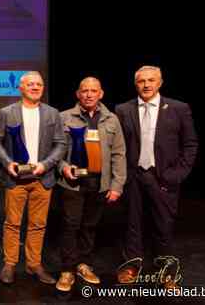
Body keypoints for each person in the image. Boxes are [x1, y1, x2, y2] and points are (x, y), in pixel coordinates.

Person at [115, 66, 197, 288]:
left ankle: (167, 274)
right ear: (136, 84)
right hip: (134, 176)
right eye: (142, 81)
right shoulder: (123, 110)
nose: (147, 85)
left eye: (151, 80)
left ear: (160, 83)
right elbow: (117, 147)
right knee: (132, 224)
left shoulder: (178, 108)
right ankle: (132, 266)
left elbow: (190, 145)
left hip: (163, 178)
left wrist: (177, 174)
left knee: (164, 226)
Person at [0, 71, 65, 285]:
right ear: (21, 87)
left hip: (43, 178)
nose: (35, 87)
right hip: (15, 178)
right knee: (12, 223)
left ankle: (34, 264)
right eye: (30, 84)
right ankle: (10, 264)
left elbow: (61, 143)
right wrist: (8, 163)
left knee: (38, 224)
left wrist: (46, 164)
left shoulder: (53, 114)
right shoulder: (7, 112)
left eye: (39, 84)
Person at [55, 77, 126, 292]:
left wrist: (117, 185)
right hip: (72, 183)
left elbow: (119, 153)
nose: (88, 94)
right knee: (70, 225)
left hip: (100, 183)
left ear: (100, 94)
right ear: (78, 94)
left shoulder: (112, 119)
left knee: (89, 226)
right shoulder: (64, 117)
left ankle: (83, 265)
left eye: (93, 90)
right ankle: (67, 270)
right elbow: (55, 151)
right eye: (84, 90)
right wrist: (63, 167)